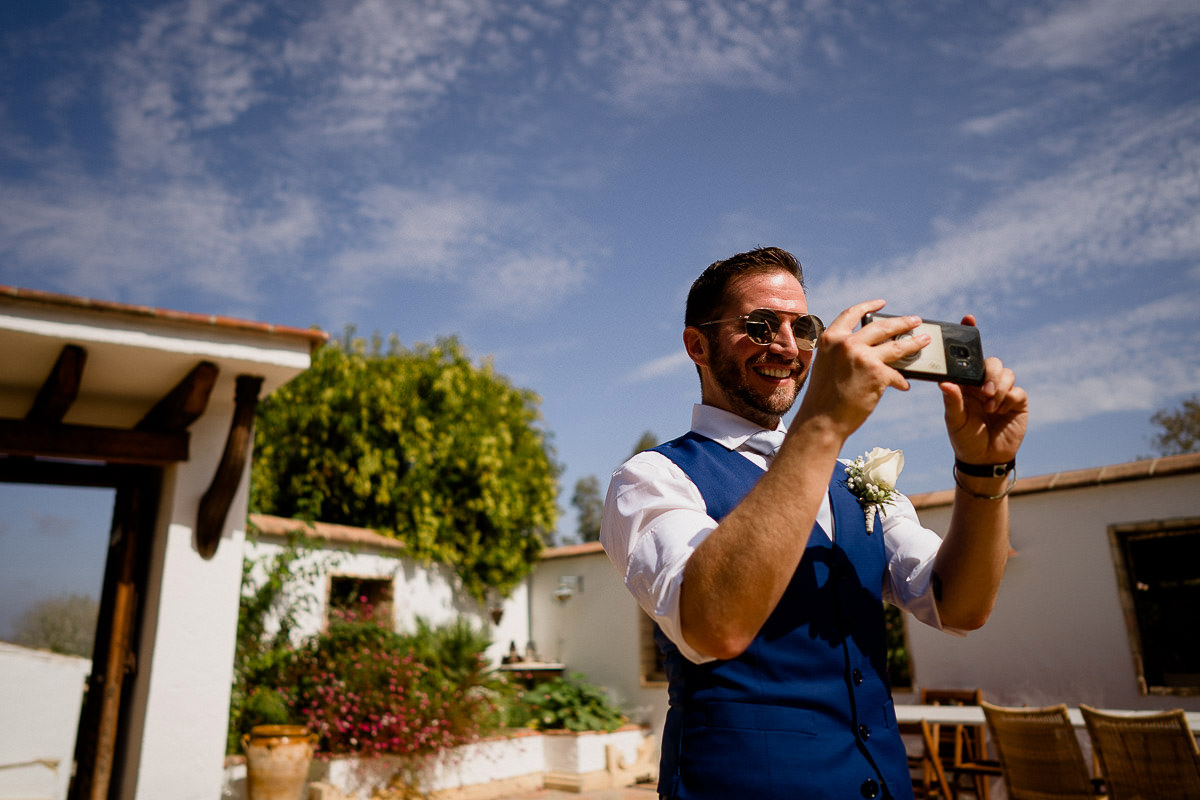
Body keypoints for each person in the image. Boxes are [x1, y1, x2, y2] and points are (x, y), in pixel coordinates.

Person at [600, 247, 1028, 800]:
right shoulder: (653, 477)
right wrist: (823, 423)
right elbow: (713, 625)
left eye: (802, 327)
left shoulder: (856, 480)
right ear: (697, 345)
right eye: (759, 325)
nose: (786, 345)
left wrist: (983, 470)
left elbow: (963, 607)